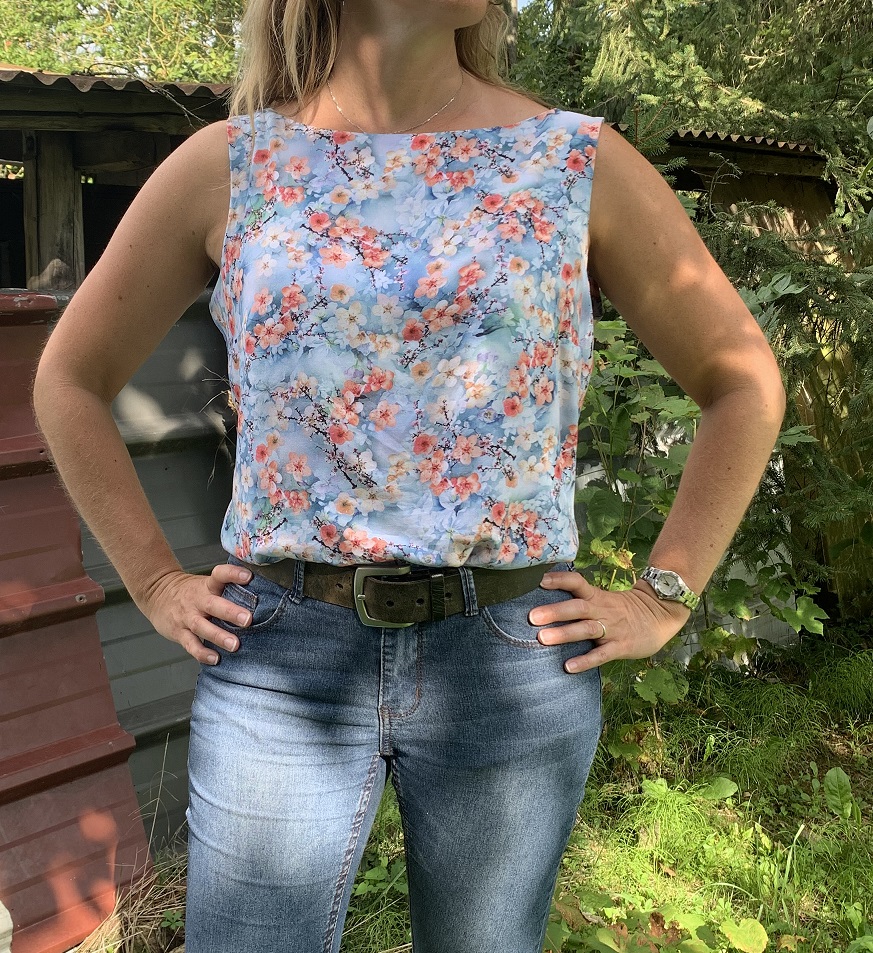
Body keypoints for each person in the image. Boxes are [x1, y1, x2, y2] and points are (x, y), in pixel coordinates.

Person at [32, 0, 786, 950]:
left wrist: (662, 594)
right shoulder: (231, 163)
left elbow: (741, 381)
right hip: (282, 658)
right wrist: (150, 579)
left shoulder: (573, 162)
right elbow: (69, 379)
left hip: (505, 657)